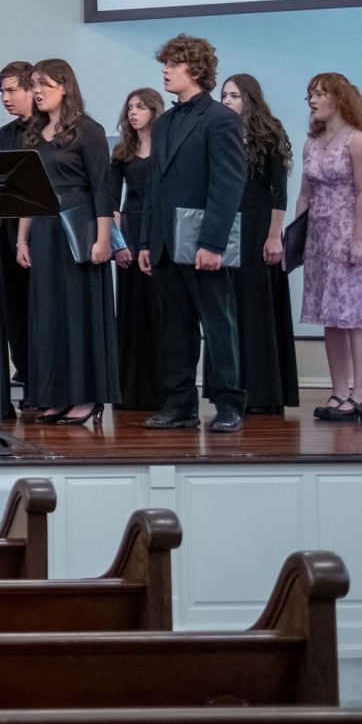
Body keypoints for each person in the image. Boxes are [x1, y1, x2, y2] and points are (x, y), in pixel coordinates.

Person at [140, 33, 248, 434]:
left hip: (204, 241)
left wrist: (213, 243)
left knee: (219, 324)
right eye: (164, 63)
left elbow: (227, 185)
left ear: (196, 69)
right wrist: (148, 242)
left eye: (173, 63)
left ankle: (228, 404)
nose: (165, 70)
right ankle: (180, 403)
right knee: (175, 328)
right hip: (167, 241)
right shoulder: (165, 121)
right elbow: (155, 186)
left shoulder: (221, 119)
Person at [15, 58, 116, 428]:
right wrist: (22, 239)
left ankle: (87, 396)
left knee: (78, 315)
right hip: (43, 228)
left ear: (64, 87)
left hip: (78, 227)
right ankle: (56, 395)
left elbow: (103, 188)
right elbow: (28, 191)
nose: (36, 91)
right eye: (34, 85)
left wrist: (103, 238)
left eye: (43, 84)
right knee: (49, 315)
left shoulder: (88, 130)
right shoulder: (34, 133)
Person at [300, 72, 362, 423]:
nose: (313, 100)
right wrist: (298, 237)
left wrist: (359, 238)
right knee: (331, 318)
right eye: (311, 95)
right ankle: (338, 391)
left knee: (358, 316)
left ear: (339, 98)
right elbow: (305, 193)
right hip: (319, 237)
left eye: (320, 94)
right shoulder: (312, 142)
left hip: (349, 232)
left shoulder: (357, 140)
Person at [222, 72, 300, 417]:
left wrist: (273, 235)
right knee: (231, 308)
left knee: (259, 308)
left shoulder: (269, 134)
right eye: (224, 95)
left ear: (249, 99)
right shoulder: (221, 133)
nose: (226, 101)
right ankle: (233, 389)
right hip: (227, 223)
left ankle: (264, 391)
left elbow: (278, 191)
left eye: (234, 96)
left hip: (258, 223)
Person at [108, 88, 167, 414]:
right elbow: (113, 202)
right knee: (131, 310)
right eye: (130, 107)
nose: (133, 113)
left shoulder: (165, 149)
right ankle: (130, 390)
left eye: (141, 107)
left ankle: (161, 389)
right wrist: (119, 243)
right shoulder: (122, 152)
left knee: (159, 310)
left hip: (158, 230)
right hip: (129, 228)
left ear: (154, 111)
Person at [0, 59, 38, 403]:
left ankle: (41, 367)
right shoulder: (3, 135)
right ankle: (22, 365)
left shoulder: (46, 129)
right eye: (1, 91)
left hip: (40, 229)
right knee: (13, 304)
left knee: (39, 303)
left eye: (12, 90)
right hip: (7, 228)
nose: (5, 98)